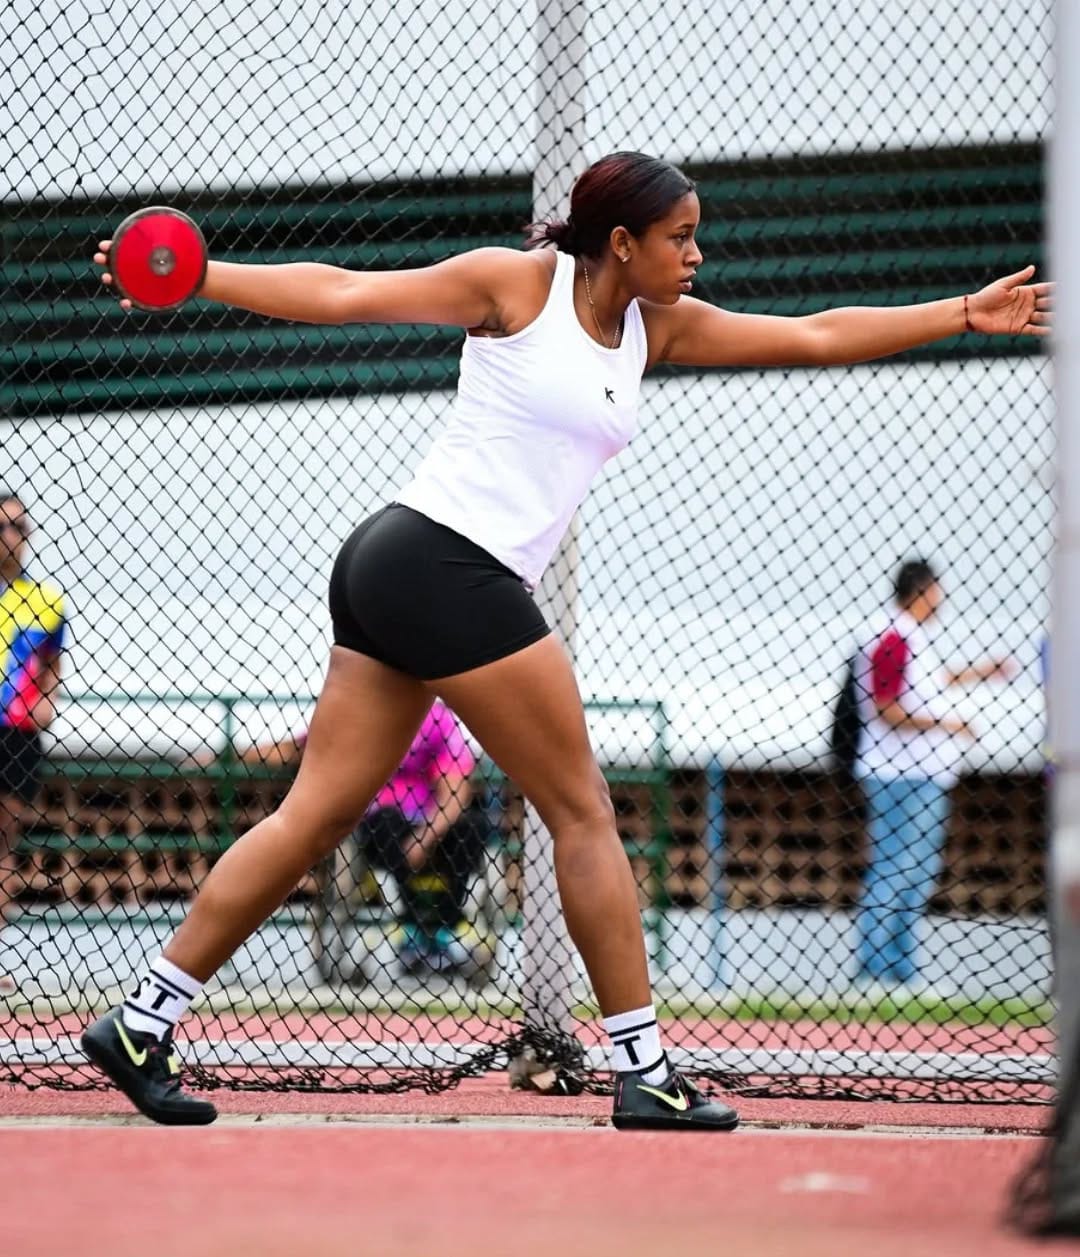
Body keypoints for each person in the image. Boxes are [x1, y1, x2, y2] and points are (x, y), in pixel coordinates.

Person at [79, 151, 1050, 1130]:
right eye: (680, 237)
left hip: (408, 568)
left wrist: (961, 314)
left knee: (317, 815)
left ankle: (140, 1021)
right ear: (621, 242)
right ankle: (647, 1071)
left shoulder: (656, 328)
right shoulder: (515, 285)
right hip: (444, 560)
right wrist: (196, 275)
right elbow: (344, 293)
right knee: (582, 808)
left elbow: (813, 335)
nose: (697, 255)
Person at [234, 701, 492, 981]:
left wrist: (426, 837)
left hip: (431, 827)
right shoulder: (359, 706)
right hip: (377, 829)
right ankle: (411, 931)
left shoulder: (438, 719)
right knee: (387, 822)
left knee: (474, 827)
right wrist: (229, 755)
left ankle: (444, 927)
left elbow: (455, 791)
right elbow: (296, 747)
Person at [851, 559, 1013, 998]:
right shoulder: (892, 637)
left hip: (923, 773)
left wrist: (982, 672)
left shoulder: (912, 638)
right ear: (922, 591)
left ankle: (901, 971)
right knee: (895, 868)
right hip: (900, 774)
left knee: (917, 872)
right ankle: (873, 970)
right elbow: (886, 708)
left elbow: (930, 684)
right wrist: (948, 726)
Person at [0, 491, 66, 994]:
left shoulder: (46, 601)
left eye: (18, 527)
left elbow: (52, 664)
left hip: (17, 733)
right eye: (1, 527)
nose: (9, 537)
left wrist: (47, 701)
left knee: (4, 843)